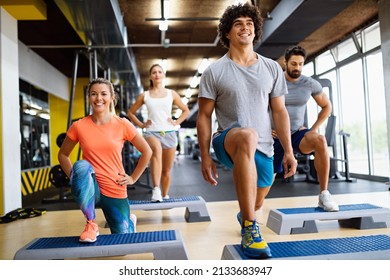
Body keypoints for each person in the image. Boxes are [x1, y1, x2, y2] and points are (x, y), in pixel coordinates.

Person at [197, 3, 297, 259]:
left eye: (250, 24)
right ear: (227, 33)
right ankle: (250, 228)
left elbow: (279, 112)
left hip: (264, 144)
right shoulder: (214, 71)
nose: (245, 28)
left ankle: (248, 212)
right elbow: (205, 116)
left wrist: (288, 150)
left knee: (261, 189)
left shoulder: (272, 68)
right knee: (247, 135)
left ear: (255, 31)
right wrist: (205, 156)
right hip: (228, 139)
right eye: (238, 24)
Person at [58, 78, 152, 243]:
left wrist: (133, 178)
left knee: (123, 242)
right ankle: (91, 224)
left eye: (103, 94)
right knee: (80, 167)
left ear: (112, 97)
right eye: (93, 94)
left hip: (114, 186)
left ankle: (129, 221)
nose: (98, 98)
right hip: (91, 187)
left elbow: (147, 151)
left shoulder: (123, 124)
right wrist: (74, 179)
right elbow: (63, 155)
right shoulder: (79, 126)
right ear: (89, 97)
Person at [272, 45, 339, 211]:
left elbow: (326, 106)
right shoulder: (274, 81)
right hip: (273, 135)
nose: (297, 68)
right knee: (266, 180)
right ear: (285, 63)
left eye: (301, 64)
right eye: (294, 64)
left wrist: (313, 129)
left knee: (320, 140)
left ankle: (324, 194)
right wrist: (264, 128)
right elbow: (256, 106)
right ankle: (250, 210)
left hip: (297, 133)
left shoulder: (309, 83)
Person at [128, 64, 190, 202]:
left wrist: (176, 122)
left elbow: (186, 110)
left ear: (163, 75)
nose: (157, 74)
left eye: (159, 72)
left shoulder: (171, 94)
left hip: (169, 132)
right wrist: (141, 125)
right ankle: (156, 189)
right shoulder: (145, 95)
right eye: (154, 72)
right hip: (151, 132)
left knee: (166, 170)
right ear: (150, 76)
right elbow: (130, 112)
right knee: (156, 150)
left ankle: (165, 195)